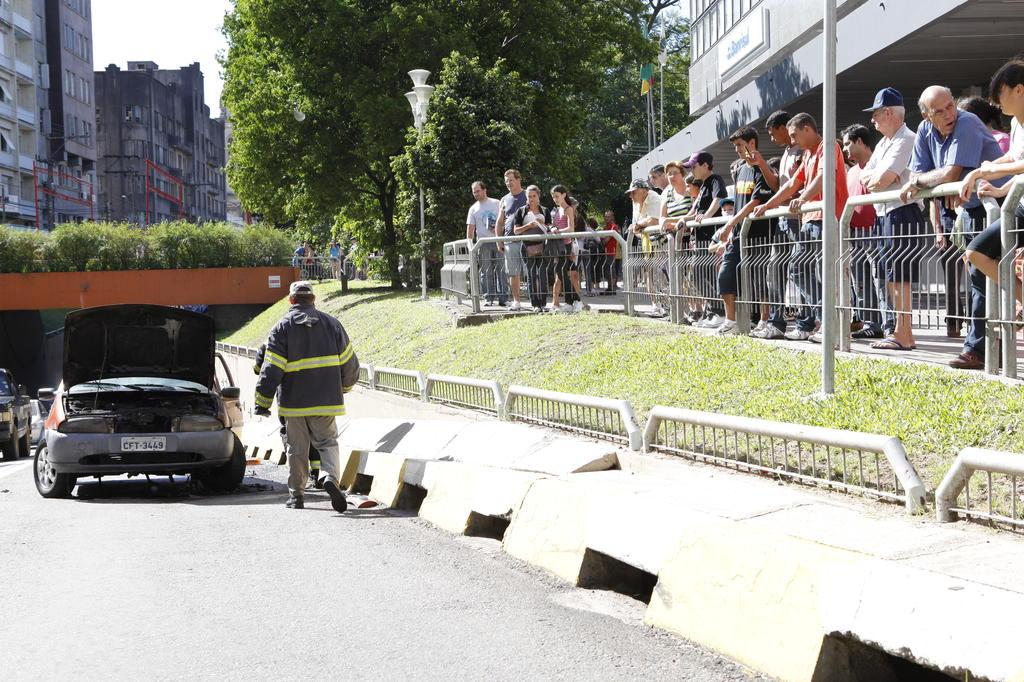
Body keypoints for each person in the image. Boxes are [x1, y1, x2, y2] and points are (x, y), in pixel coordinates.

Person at [898, 85, 1005, 369]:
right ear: (925, 115)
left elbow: (948, 173)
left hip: (998, 206)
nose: (949, 114)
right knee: (979, 278)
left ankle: (980, 348)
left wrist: (925, 183)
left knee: (982, 277)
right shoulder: (924, 130)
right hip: (972, 210)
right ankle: (985, 345)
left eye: (950, 106)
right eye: (939, 111)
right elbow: (920, 172)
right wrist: (931, 181)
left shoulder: (967, 122)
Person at [254, 281, 359, 511]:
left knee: (297, 449)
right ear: (313, 299)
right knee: (328, 442)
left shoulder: (281, 328)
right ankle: (330, 477)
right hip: (326, 402)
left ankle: (297, 496)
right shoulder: (333, 325)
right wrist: (344, 388)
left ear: (291, 300)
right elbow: (350, 364)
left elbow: (270, 369)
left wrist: (262, 402)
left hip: (294, 405)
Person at [752, 112, 849, 341]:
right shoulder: (807, 154)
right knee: (797, 268)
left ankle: (831, 323)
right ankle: (824, 319)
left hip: (827, 218)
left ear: (808, 129)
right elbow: (793, 184)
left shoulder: (828, 147)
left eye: (795, 134)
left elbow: (824, 178)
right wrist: (767, 205)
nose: (792, 140)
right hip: (809, 219)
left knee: (824, 271)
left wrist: (803, 198)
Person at [961, 60, 1024, 354]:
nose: (996, 102)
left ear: (1019, 90)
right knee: (976, 253)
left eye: (1000, 93)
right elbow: (1013, 157)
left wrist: (987, 173)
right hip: (1020, 207)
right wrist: (983, 173)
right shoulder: (1014, 124)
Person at [854, 88, 924, 351]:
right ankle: (900, 330)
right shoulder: (884, 143)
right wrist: (882, 179)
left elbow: (881, 179)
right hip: (886, 213)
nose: (872, 121)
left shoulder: (907, 138)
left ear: (888, 113)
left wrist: (883, 179)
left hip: (902, 212)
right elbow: (866, 177)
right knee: (891, 275)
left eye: (875, 115)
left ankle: (904, 332)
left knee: (900, 275)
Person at [710, 126, 774, 336]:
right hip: (738, 235)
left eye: (739, 145)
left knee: (760, 279)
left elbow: (756, 200)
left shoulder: (760, 169)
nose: (737, 149)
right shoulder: (740, 170)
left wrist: (730, 224)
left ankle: (765, 321)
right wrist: (731, 227)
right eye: (735, 146)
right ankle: (731, 321)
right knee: (725, 274)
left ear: (752, 143)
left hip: (758, 234)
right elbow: (739, 204)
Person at [840, 123, 887, 341]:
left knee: (880, 279)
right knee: (861, 282)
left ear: (860, 141)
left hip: (875, 230)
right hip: (855, 233)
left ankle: (888, 323)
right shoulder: (851, 172)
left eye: (848, 143)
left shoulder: (878, 163)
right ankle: (871, 323)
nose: (846, 148)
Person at [681, 152, 728, 327]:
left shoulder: (715, 179)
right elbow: (693, 211)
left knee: (704, 273)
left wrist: (706, 216)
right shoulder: (702, 186)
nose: (691, 170)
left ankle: (719, 311)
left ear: (705, 165)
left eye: (694, 166)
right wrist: (683, 220)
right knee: (698, 274)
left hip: (711, 238)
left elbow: (719, 197)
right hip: (700, 239)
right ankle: (712, 311)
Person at [465, 180, 506, 307]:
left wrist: (500, 229)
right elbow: (470, 228)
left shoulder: (496, 203)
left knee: (502, 269)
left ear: (484, 190)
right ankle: (488, 298)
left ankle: (503, 297)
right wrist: (470, 245)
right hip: (482, 243)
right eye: (474, 192)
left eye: (478, 191)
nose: (476, 194)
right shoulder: (473, 208)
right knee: (486, 271)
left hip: (498, 240)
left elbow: (506, 220)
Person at [513, 185, 553, 312]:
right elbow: (516, 231)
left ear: (538, 196)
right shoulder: (521, 211)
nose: (531, 199)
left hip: (542, 246)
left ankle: (543, 304)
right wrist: (528, 226)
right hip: (527, 246)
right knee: (531, 276)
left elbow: (549, 227)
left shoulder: (545, 211)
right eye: (529, 196)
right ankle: (535, 304)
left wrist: (544, 225)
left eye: (534, 196)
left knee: (542, 275)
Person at [494, 169, 528, 311]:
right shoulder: (504, 199)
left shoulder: (528, 195)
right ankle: (516, 302)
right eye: (506, 181)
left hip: (528, 239)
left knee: (532, 271)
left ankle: (538, 301)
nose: (508, 183)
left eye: (511, 180)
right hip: (509, 240)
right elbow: (500, 222)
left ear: (519, 179)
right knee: (513, 273)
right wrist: (498, 240)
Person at [550, 185, 584, 313]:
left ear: (564, 195)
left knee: (561, 272)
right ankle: (571, 302)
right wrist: (553, 228)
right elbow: (555, 225)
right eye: (553, 197)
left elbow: (571, 228)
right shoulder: (557, 210)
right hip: (558, 245)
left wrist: (558, 231)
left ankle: (577, 300)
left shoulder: (568, 209)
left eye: (557, 196)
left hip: (566, 245)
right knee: (562, 273)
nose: (555, 199)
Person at [602, 210, 620, 294]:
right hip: (606, 251)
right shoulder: (605, 227)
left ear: (612, 217)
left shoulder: (614, 226)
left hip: (611, 251)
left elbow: (606, 240)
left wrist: (604, 239)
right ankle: (610, 287)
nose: (606, 218)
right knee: (607, 269)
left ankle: (612, 287)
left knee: (610, 269)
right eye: (605, 216)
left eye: (608, 216)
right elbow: (603, 239)